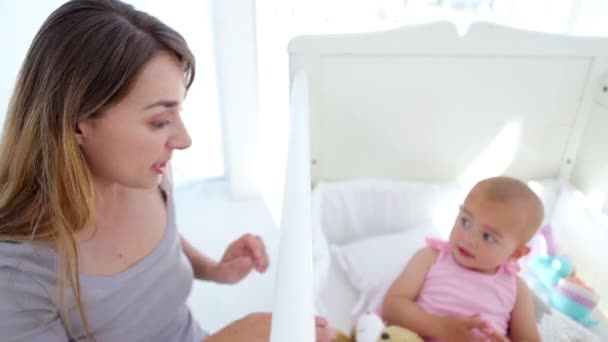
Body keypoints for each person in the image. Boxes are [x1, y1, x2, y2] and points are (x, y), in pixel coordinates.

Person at [0, 1, 333, 341]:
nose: (184, 139)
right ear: (78, 124)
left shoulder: (145, 175)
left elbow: (164, 242)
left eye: (178, 113)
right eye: (159, 121)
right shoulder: (17, 276)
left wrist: (216, 269)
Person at [382, 177, 543, 342]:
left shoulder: (516, 288)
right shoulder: (431, 257)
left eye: (488, 237)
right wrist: (439, 326)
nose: (468, 239)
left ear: (515, 253)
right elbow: (392, 305)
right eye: (465, 222)